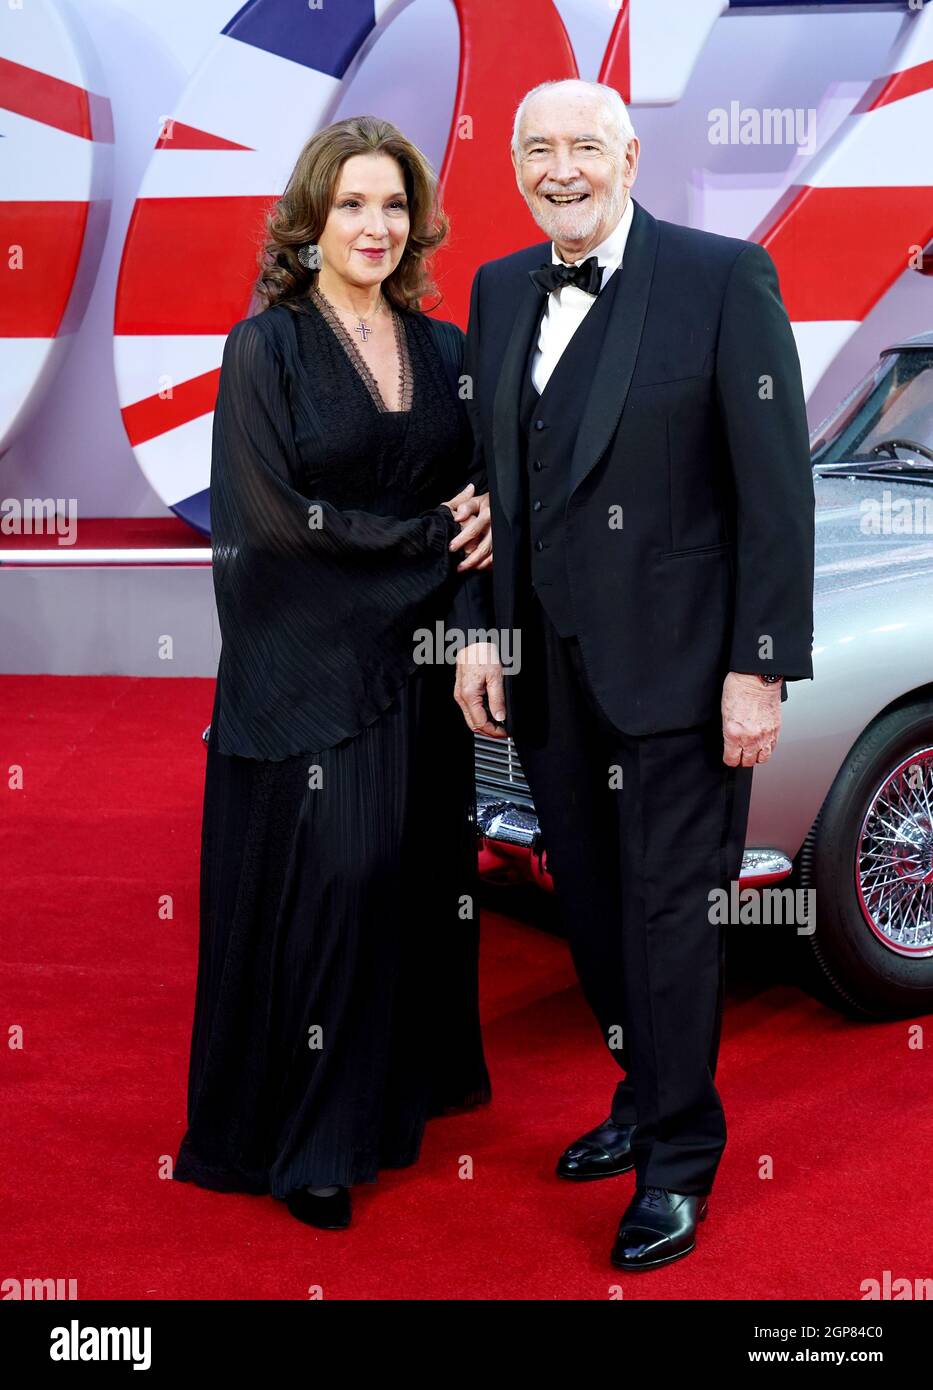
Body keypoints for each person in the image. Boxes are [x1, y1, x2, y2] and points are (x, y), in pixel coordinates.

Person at [454, 79, 815, 1270]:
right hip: (548, 676)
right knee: (595, 910)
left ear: (629, 155)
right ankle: (641, 1085)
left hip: (680, 673)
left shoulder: (724, 277)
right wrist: (480, 632)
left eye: (584, 147)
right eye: (537, 148)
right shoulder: (501, 288)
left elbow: (775, 493)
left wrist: (758, 669)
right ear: (513, 162)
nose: (562, 168)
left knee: (669, 919)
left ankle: (678, 1157)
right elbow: (488, 492)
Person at [173, 115, 494, 1231]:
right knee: (335, 885)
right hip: (308, 666)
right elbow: (264, 526)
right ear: (310, 221)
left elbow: (485, 501)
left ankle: (382, 1111)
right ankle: (305, 1139)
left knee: (406, 885)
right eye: (352, 204)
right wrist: (424, 542)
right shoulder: (267, 347)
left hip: (420, 668)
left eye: (395, 205)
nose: (375, 225)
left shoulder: (448, 350)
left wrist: (477, 570)